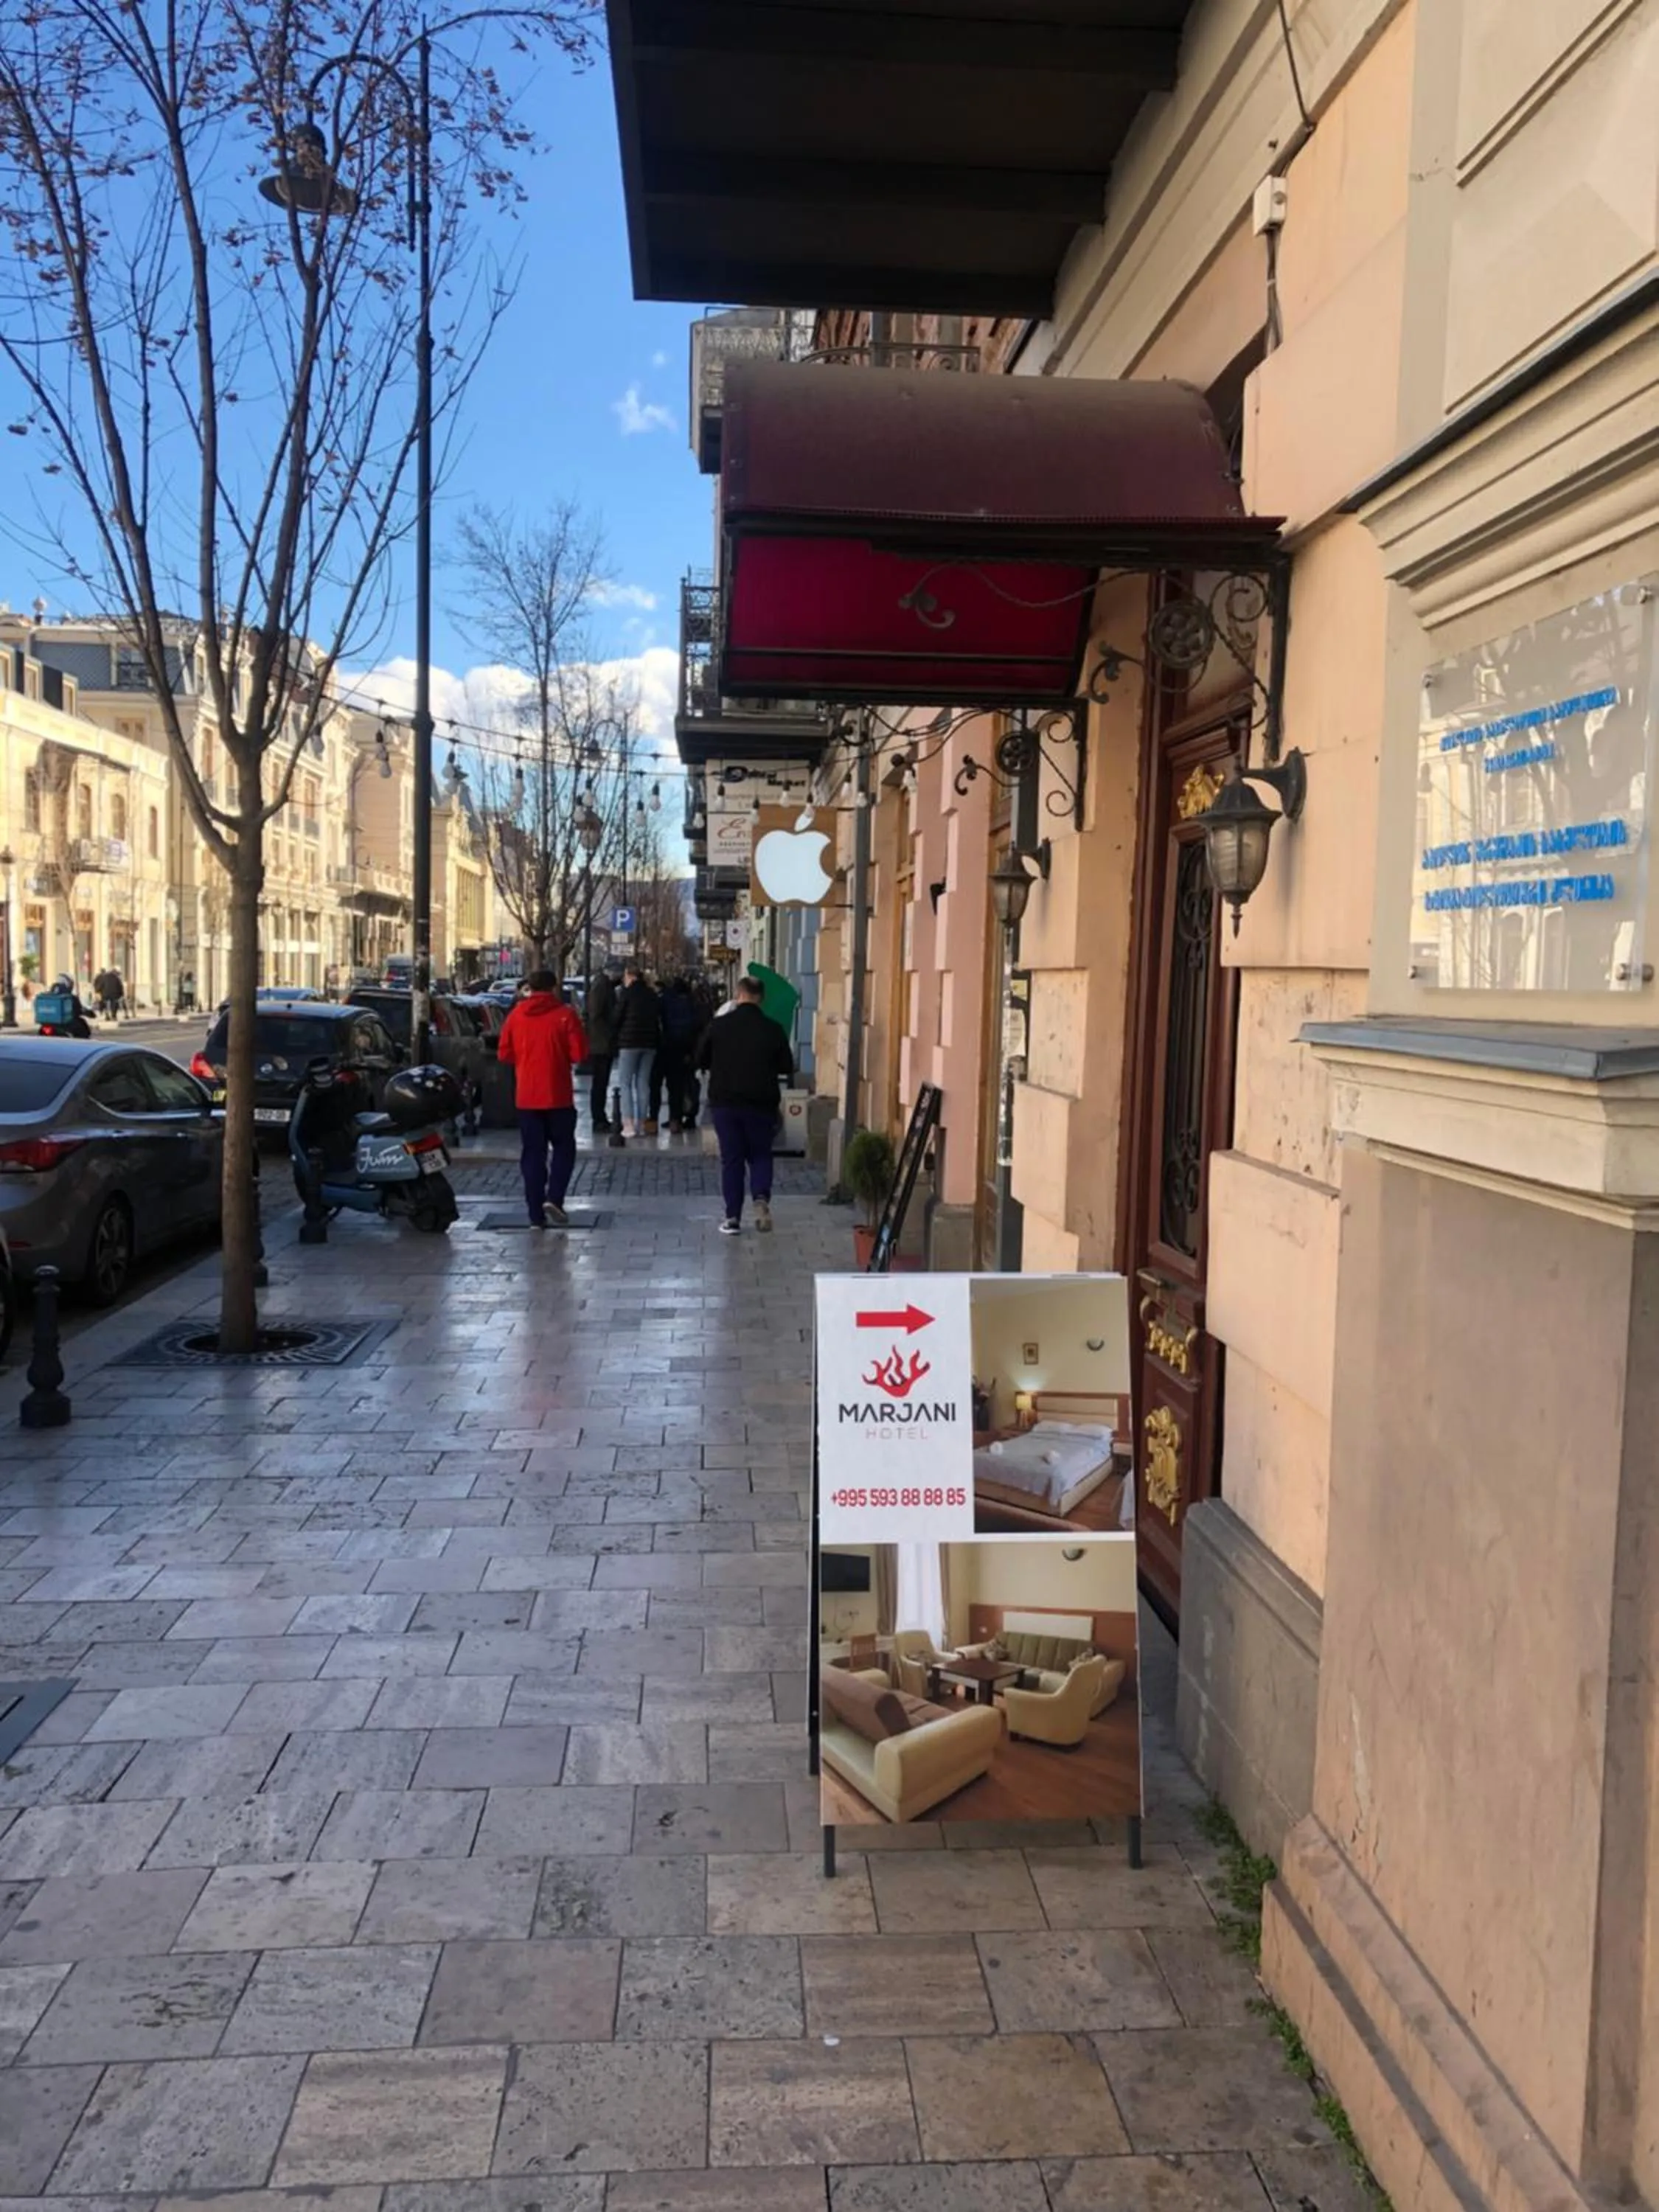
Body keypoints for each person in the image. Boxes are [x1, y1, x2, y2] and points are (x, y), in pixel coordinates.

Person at [695, 973, 794, 1235]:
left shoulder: (719, 1026)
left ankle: (732, 1217)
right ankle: (761, 1198)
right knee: (761, 1154)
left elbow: (700, 1058)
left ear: (739, 996)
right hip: (761, 1102)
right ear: (761, 998)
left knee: (732, 1159)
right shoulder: (773, 1029)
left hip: (725, 1103)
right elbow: (787, 1065)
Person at [496, 970, 588, 1227]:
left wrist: (526, 1061)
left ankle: (535, 1214)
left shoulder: (516, 1016)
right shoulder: (565, 1015)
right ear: (554, 988)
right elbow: (579, 1053)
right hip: (558, 1094)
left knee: (533, 1154)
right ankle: (555, 1198)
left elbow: (504, 1054)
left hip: (527, 1096)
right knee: (564, 1149)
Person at [613, 962, 661, 1138]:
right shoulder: (651, 995)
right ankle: (642, 1123)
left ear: (629, 976)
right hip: (649, 1044)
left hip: (629, 1043)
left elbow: (617, 1017)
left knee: (625, 1083)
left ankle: (628, 1124)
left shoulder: (626, 994)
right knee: (643, 1083)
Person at [656, 976, 700, 1133]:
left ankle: (674, 1119)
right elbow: (697, 1027)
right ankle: (686, 1117)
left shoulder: (666, 1000)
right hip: (687, 1048)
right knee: (686, 1084)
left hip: (669, 1046)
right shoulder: (692, 1002)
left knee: (672, 1085)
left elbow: (659, 1020)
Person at [584, 964, 619, 1134]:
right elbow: (595, 1013)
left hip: (602, 1042)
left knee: (601, 1083)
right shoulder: (602, 986)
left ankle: (600, 1117)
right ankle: (598, 1119)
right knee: (600, 1083)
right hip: (601, 1043)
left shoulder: (603, 985)